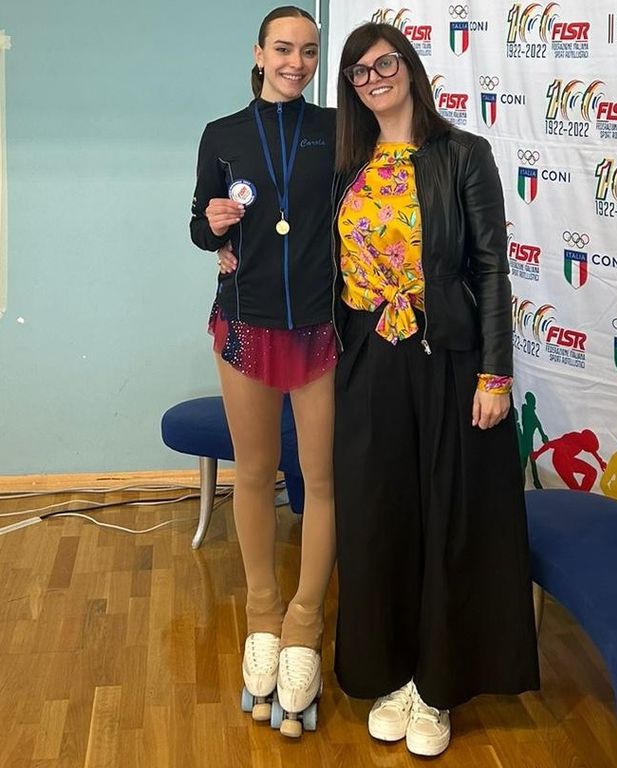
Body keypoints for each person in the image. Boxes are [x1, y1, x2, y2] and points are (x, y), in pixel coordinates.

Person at [331, 22, 540, 758]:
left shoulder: (463, 154)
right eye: (359, 71)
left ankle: (437, 686)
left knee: (447, 513)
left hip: (448, 355)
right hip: (369, 356)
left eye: (384, 63)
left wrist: (496, 372)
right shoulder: (346, 163)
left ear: (411, 67)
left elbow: (491, 267)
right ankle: (390, 673)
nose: (374, 78)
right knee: (379, 513)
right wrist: (222, 238)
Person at [189, 6, 336, 728]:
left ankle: (305, 621)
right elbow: (198, 223)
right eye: (283, 48)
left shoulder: (337, 129)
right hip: (246, 323)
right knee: (253, 472)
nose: (296, 62)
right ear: (258, 53)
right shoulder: (222, 134)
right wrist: (211, 225)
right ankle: (263, 614)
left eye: (308, 51)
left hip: (320, 327)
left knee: (321, 476)